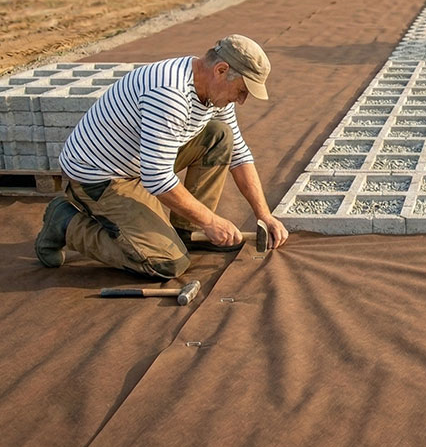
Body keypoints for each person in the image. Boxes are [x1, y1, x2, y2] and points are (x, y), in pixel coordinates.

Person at [34, 34, 288, 278]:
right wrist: (211, 221)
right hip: (101, 177)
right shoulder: (170, 95)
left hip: (137, 161)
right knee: (168, 264)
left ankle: (187, 231)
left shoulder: (211, 90)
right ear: (221, 70)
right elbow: (157, 178)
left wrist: (263, 215)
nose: (241, 100)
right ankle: (66, 223)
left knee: (219, 136)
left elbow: (239, 154)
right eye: (242, 90)